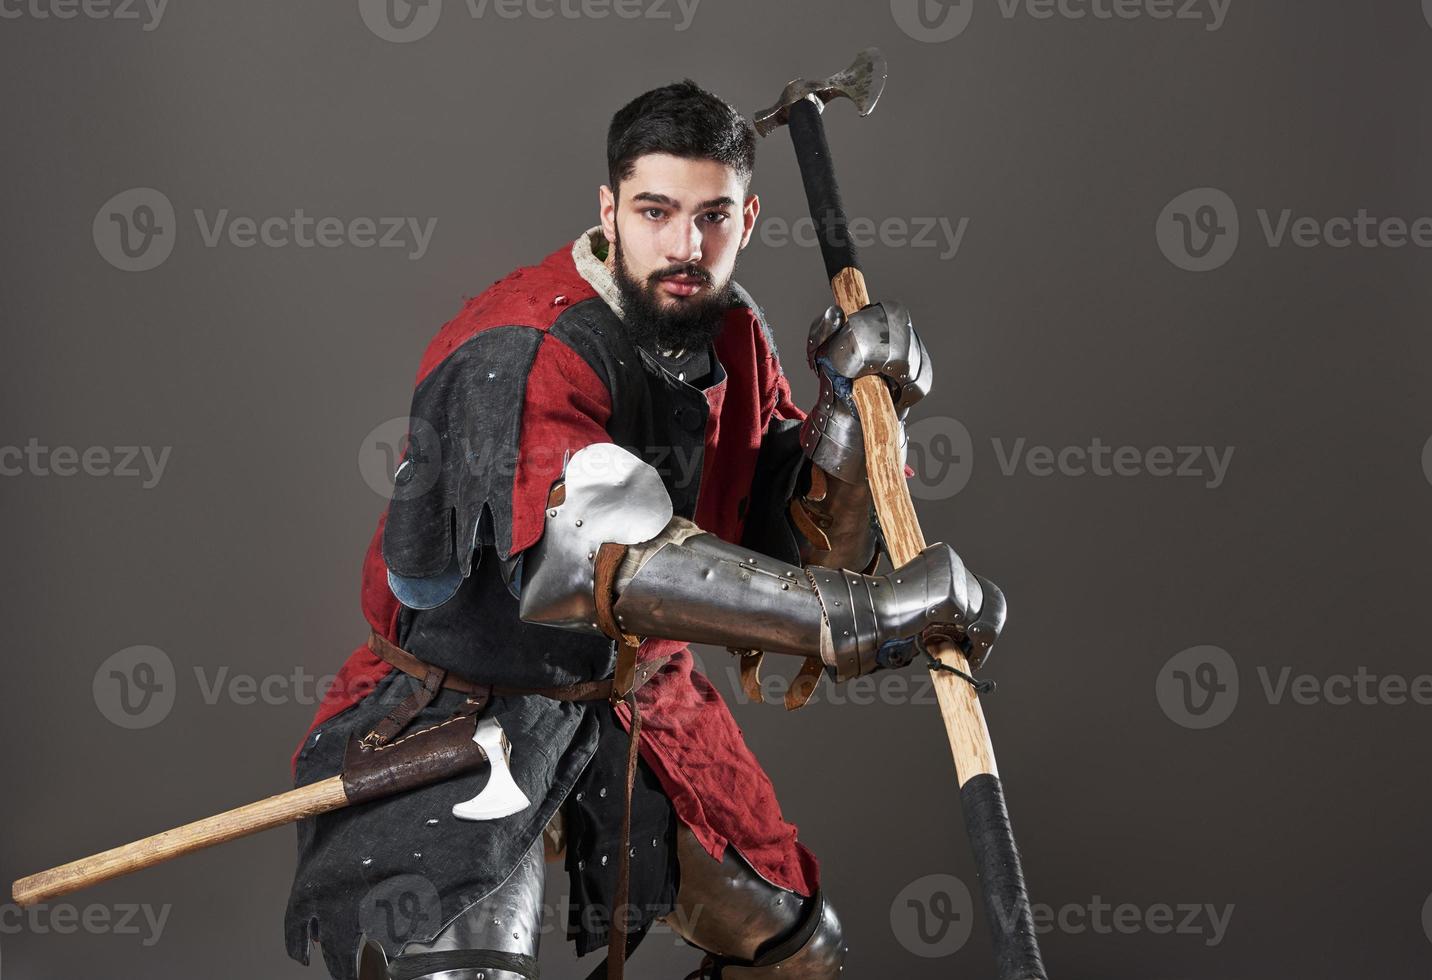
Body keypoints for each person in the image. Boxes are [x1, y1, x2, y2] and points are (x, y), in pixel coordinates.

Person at [283, 79, 1004, 980]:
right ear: (609, 209)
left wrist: (857, 420)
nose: (685, 246)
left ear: (750, 218)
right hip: (464, 705)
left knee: (797, 955)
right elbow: (591, 561)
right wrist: (858, 612)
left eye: (713, 218)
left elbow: (796, 539)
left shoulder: (733, 330)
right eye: (656, 211)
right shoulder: (519, 344)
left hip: (631, 694)